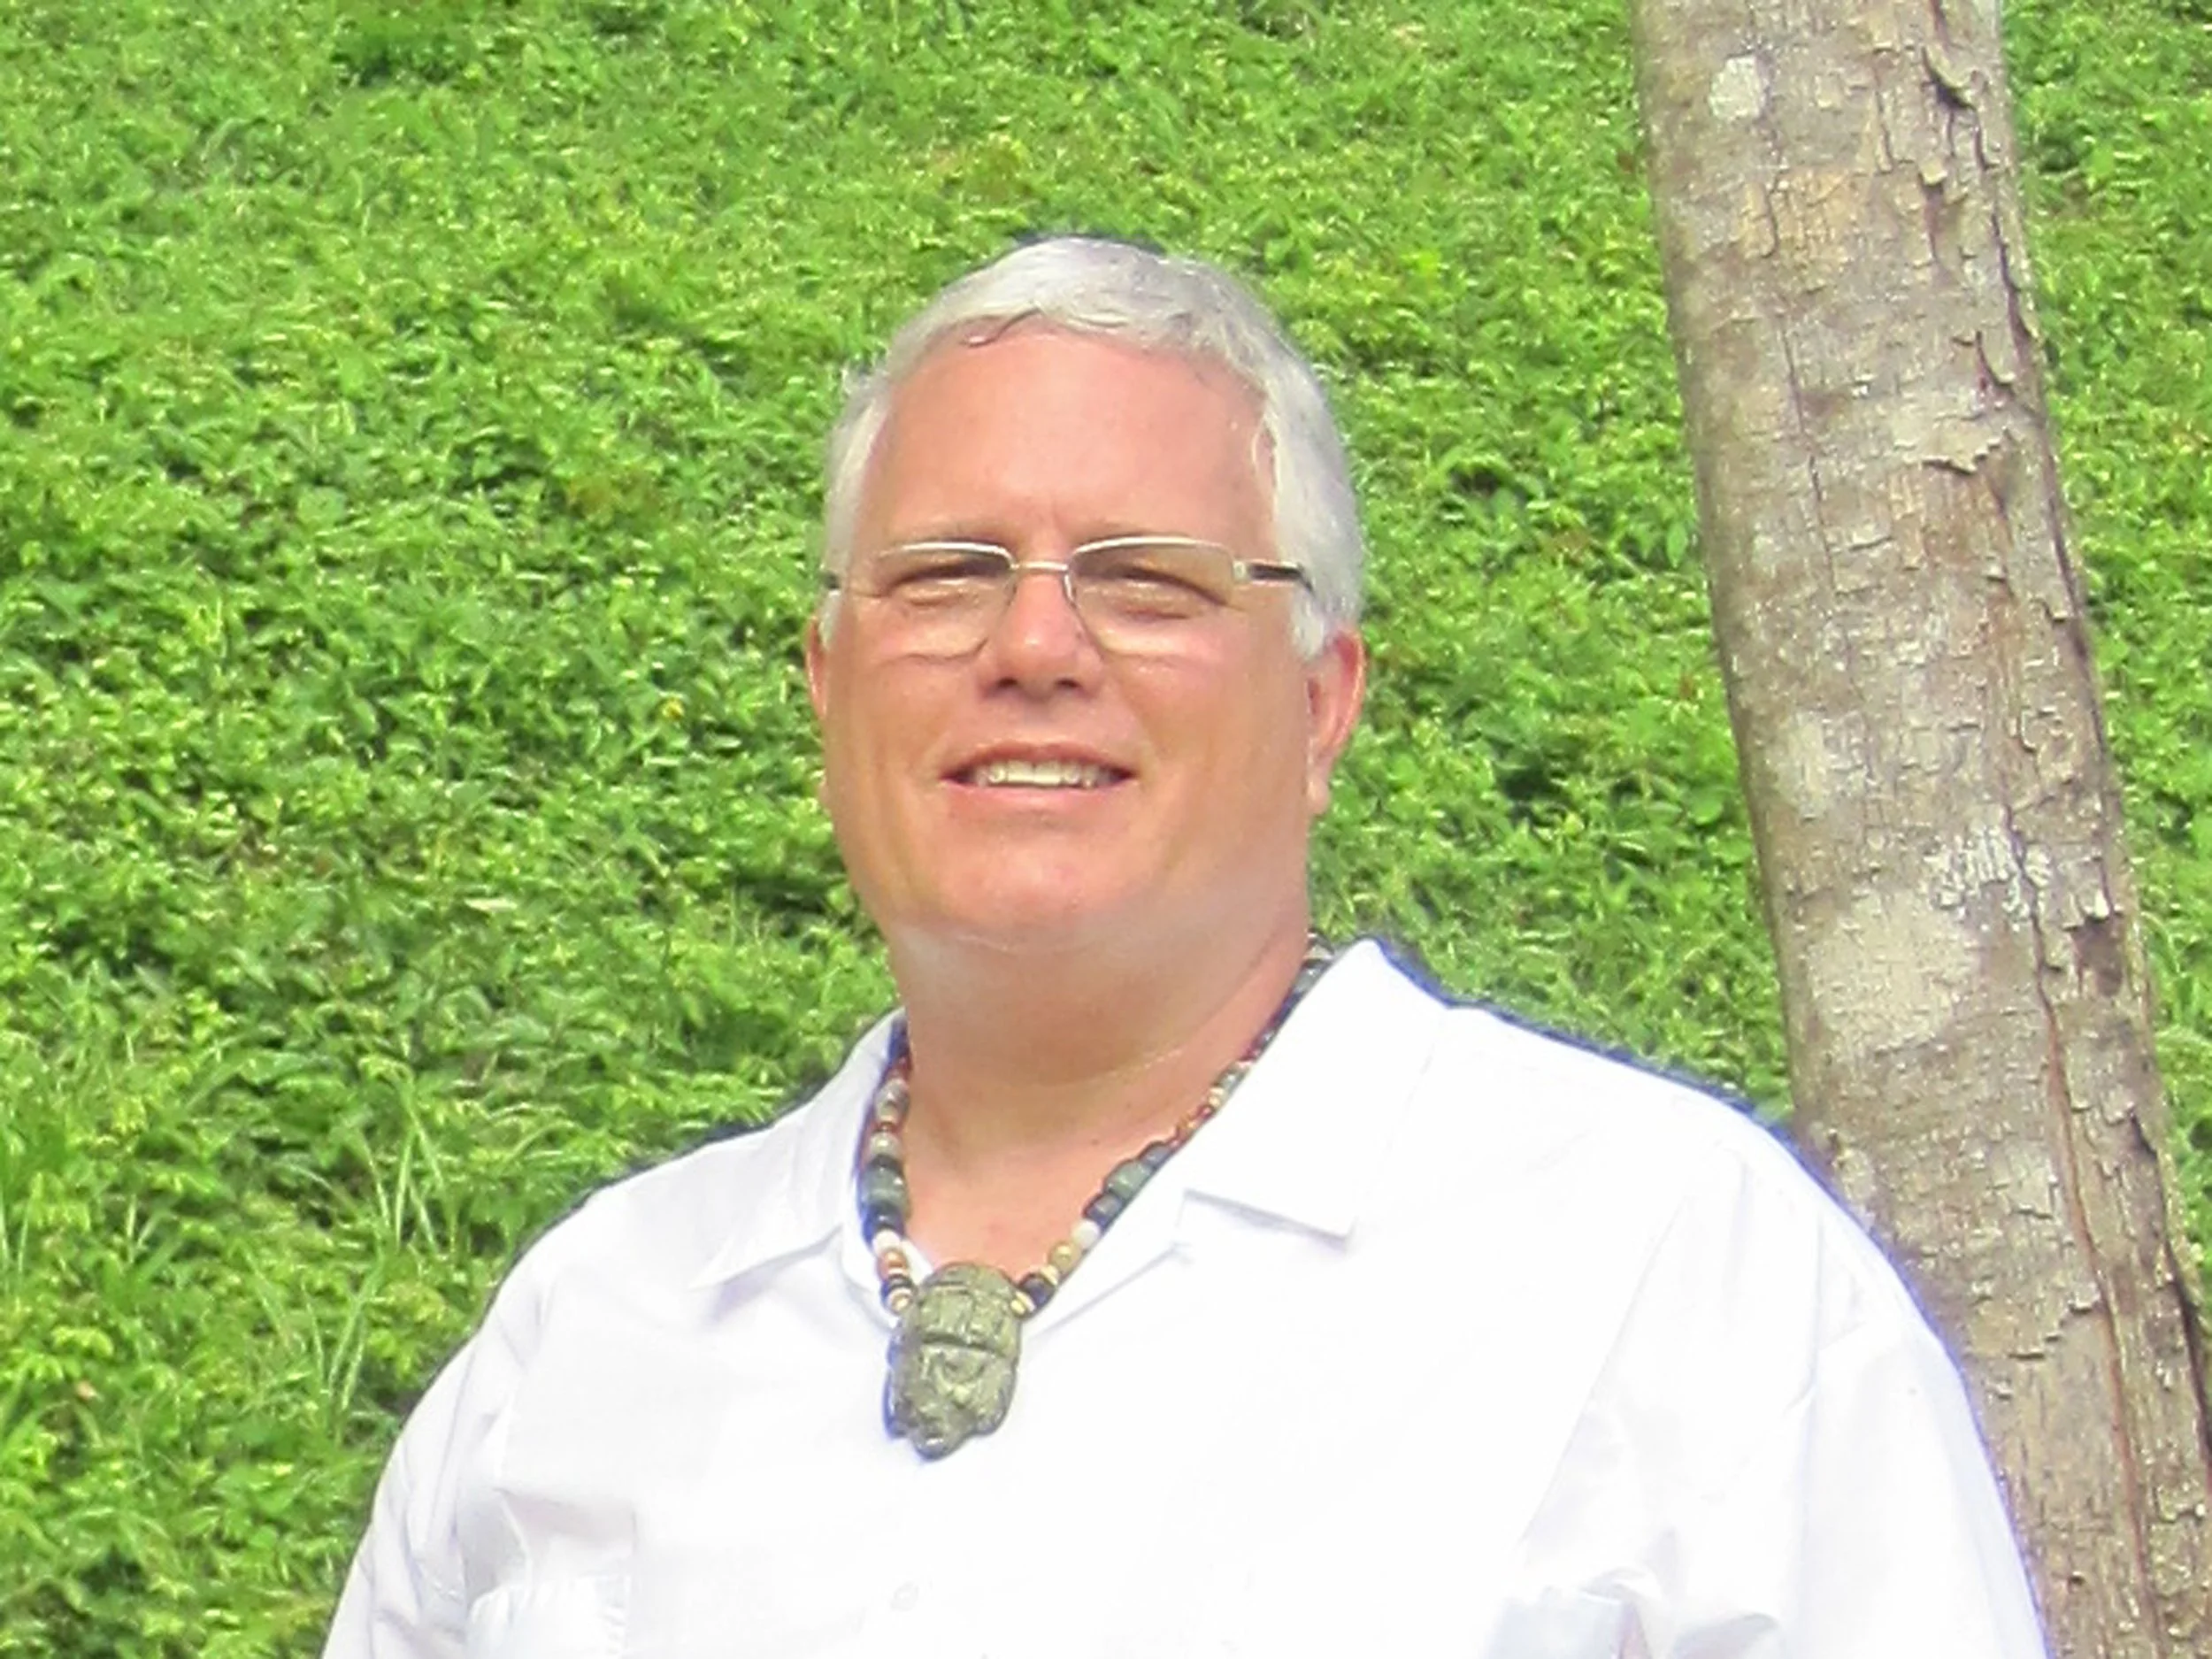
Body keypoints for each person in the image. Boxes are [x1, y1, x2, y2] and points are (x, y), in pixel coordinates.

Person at [325, 237, 2047, 1658]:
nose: (1034, 642)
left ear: (1319, 707)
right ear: (830, 685)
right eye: (942, 575)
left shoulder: (1661, 1271)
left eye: (1146, 579)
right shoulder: (592, 1326)